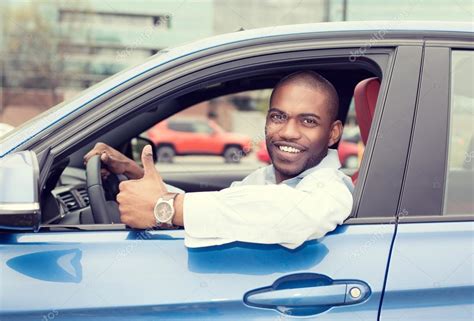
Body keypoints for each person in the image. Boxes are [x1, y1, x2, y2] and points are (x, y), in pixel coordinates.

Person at [84, 71, 354, 249]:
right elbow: (227, 206)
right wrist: (134, 173)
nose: (288, 132)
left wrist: (164, 208)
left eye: (308, 121)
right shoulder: (265, 178)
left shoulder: (332, 189)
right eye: (278, 117)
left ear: (333, 133)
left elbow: (288, 214)